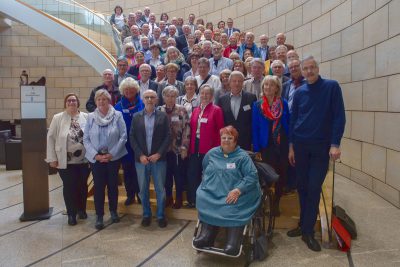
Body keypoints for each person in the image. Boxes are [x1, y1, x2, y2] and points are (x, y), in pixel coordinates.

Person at [287, 56, 345, 252]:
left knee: (313, 187)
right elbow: (294, 120)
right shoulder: (300, 91)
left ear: (318, 68)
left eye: (312, 68)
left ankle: (308, 232)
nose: (309, 71)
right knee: (302, 187)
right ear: (301, 71)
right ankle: (304, 225)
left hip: (321, 148)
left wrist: (335, 144)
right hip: (301, 146)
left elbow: (339, 117)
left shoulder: (332, 87)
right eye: (306, 69)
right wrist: (291, 146)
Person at [193, 126, 261, 256]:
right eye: (223, 137)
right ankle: (207, 235)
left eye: (230, 138)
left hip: (236, 192)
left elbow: (252, 176)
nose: (226, 140)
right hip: (214, 191)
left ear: (235, 141)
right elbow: (205, 168)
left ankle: (233, 241)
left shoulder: (242, 157)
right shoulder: (212, 153)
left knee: (232, 203)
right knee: (204, 198)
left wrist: (238, 189)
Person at [83, 89, 127, 230]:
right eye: (99, 99)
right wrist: (96, 155)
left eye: (104, 99)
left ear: (109, 101)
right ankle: (99, 216)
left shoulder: (117, 115)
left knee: (113, 186)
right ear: (96, 102)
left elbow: (123, 136)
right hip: (96, 159)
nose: (101, 102)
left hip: (113, 158)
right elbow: (86, 139)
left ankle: (113, 211)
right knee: (99, 188)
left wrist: (112, 154)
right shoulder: (90, 117)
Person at [46, 94, 90, 226]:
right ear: (65, 103)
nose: (72, 102)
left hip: (84, 161)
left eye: (74, 100)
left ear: (78, 103)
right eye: (69, 100)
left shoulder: (86, 117)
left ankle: (81, 210)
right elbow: (51, 138)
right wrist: (52, 158)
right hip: (65, 161)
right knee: (69, 187)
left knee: (83, 186)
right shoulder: (58, 118)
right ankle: (71, 214)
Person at [130, 90, 171, 228]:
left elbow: (168, 137)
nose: (149, 99)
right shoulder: (136, 117)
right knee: (143, 189)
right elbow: (132, 137)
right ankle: (146, 214)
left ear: (156, 100)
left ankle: (160, 215)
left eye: (152, 97)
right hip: (141, 160)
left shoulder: (163, 116)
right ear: (143, 99)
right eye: (146, 97)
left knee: (160, 189)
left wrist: (158, 154)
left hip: (158, 160)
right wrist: (140, 155)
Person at [252, 75, 290, 217]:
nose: (268, 87)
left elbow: (288, 123)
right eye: (266, 85)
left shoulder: (283, 103)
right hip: (265, 146)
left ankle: (276, 204)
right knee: (267, 176)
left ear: (277, 88)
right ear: (262, 88)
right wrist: (256, 149)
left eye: (271, 85)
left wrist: (291, 145)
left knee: (281, 175)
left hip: (282, 145)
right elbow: (254, 128)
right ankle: (265, 202)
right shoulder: (257, 105)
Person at [187, 84, 224, 208]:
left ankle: (208, 202)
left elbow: (220, 131)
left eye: (207, 93)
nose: (204, 96)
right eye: (202, 93)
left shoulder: (216, 110)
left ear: (212, 96)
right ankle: (194, 200)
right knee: (193, 174)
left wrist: (218, 150)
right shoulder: (196, 110)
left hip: (209, 148)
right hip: (194, 146)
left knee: (209, 176)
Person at [159, 86, 190, 209]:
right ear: (164, 97)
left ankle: (178, 199)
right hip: (163, 150)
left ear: (176, 97)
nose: (170, 98)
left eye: (173, 96)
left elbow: (186, 129)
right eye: (168, 96)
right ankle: (168, 197)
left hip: (177, 150)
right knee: (166, 176)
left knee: (178, 176)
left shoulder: (182, 110)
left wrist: (184, 147)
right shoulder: (159, 111)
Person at [114, 78, 144, 205]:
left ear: (135, 89)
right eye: (125, 89)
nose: (128, 91)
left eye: (130, 88)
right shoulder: (118, 106)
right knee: (127, 171)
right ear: (122, 91)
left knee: (140, 172)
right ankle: (130, 194)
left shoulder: (142, 103)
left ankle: (141, 194)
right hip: (125, 145)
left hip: (141, 144)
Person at [217, 71, 256, 151]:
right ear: (229, 82)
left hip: (245, 140)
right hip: (228, 140)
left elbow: (254, 120)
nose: (237, 83)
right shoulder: (222, 99)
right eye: (234, 81)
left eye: (239, 81)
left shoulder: (251, 98)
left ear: (243, 83)